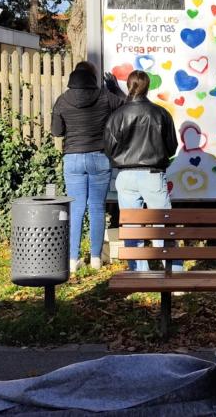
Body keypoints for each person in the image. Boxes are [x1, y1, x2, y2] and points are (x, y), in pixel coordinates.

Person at [104, 69, 181, 272]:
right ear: (148, 87)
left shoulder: (117, 115)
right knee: (162, 224)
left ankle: (139, 271)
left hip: (126, 176)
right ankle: (173, 270)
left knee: (132, 227)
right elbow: (171, 146)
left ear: (129, 86)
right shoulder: (161, 113)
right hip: (153, 175)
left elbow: (109, 148)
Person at [52, 61, 124, 272]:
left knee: (76, 209)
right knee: (97, 207)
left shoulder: (62, 100)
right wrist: (115, 88)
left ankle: (72, 260)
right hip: (100, 157)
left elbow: (57, 132)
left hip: (73, 158)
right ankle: (95, 259)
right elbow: (129, 105)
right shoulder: (104, 96)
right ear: (93, 77)